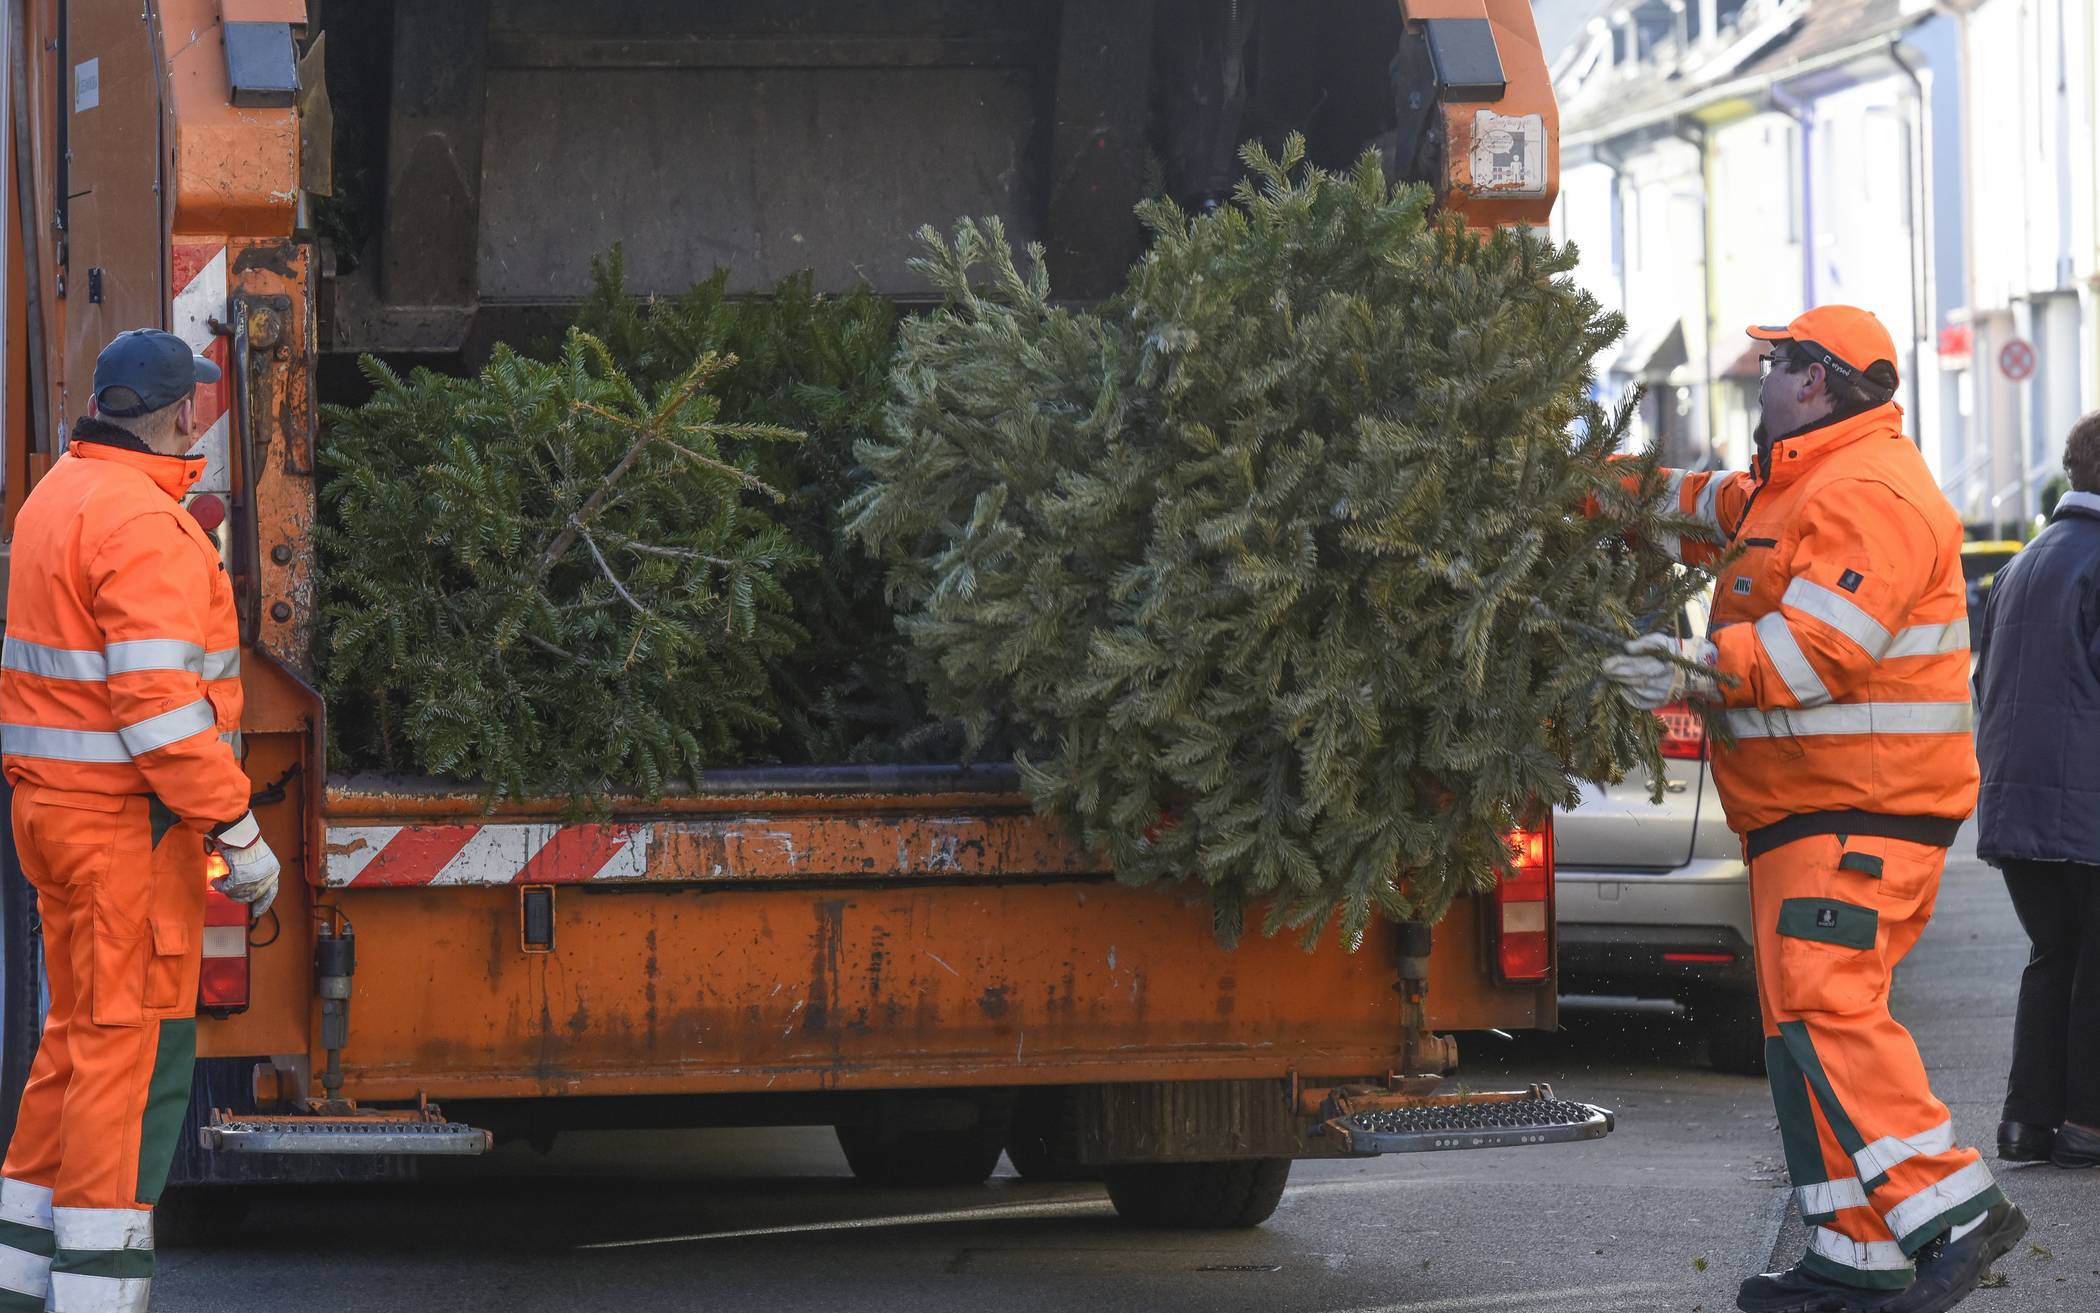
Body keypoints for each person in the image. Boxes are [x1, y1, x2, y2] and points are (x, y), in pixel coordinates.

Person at [1599, 306, 2026, 1313]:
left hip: (1862, 810)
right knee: (1799, 1019)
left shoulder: (1868, 489)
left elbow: (1821, 647)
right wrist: (1571, 485)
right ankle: (1856, 1250)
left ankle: (1955, 1209)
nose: (1762, 373)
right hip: (1810, 810)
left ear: (1824, 380)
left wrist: (1693, 667)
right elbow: (1696, 503)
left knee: (1828, 1005)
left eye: (1779, 361)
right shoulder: (1797, 483)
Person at [0, 330, 280, 1313]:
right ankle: (97, 1294)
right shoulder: (148, 527)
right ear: (177, 413)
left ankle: (23, 1279)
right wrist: (237, 826)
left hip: (53, 816)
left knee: (71, 1040)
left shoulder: (54, 498)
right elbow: (160, 711)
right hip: (128, 832)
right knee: (128, 1048)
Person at [1971, 409, 2100, 1172]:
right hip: (2086, 811)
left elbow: (1987, 683)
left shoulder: (2023, 563)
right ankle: (2087, 1122)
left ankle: (2026, 1122)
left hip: (2016, 808)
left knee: (2054, 953)